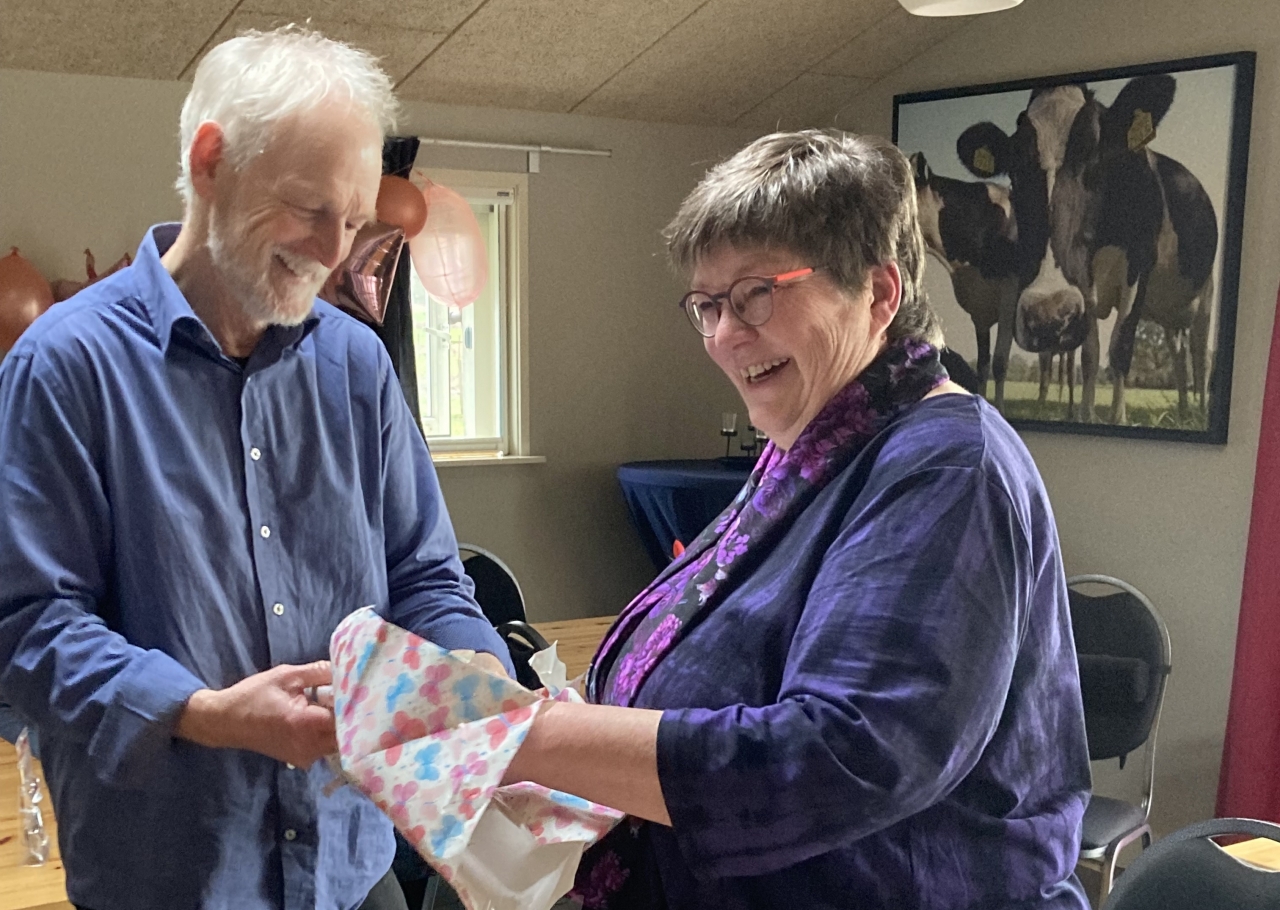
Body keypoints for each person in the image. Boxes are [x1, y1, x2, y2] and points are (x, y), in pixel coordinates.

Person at [501, 130, 1092, 909]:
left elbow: (842, 759)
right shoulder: (816, 444)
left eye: (756, 295)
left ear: (879, 294)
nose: (723, 336)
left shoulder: (949, 466)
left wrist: (515, 741)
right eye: (707, 306)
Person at [0, 27, 512, 910]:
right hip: (168, 878)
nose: (332, 248)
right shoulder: (65, 367)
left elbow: (425, 576)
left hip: (355, 869)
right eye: (310, 209)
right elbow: (26, 627)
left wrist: (480, 677)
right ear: (210, 162)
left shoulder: (358, 365)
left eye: (353, 221)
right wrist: (201, 714)